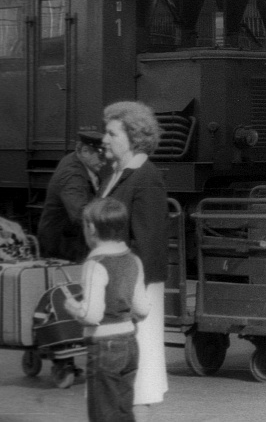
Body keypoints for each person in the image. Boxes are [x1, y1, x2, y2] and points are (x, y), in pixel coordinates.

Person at [99, 102, 168, 421]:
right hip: (111, 288)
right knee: (114, 380)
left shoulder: (145, 177)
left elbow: (149, 244)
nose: (104, 138)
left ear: (133, 137)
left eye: (112, 132)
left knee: (137, 382)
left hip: (134, 292)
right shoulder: (114, 175)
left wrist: (125, 291)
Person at [64, 197, 151, 422]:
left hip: (104, 346)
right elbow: (141, 310)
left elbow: (91, 315)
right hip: (129, 343)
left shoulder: (96, 264)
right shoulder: (133, 260)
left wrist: (72, 306)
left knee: (103, 414)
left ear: (91, 228)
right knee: (123, 412)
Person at [38, 131, 105, 262]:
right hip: (64, 249)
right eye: (101, 156)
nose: (104, 162)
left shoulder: (76, 160)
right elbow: (80, 213)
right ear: (85, 151)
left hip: (68, 243)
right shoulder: (72, 175)